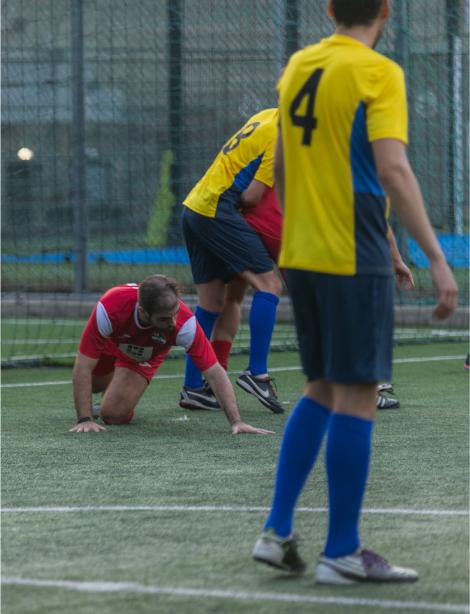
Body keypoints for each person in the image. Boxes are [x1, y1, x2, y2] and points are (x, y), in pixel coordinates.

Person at [252, 0, 458, 584]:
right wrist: (436, 258)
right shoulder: (376, 71)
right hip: (352, 249)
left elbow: (282, 166)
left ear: (329, 9)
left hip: (303, 250)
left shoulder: (298, 66)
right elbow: (392, 169)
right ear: (385, 12)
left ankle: (277, 531)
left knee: (321, 386)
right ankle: (342, 550)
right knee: (360, 392)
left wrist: (300, 234)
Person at [69, 274, 274, 435]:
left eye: (175, 313)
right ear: (143, 312)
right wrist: (85, 419)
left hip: (143, 356)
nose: (173, 322)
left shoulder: (185, 324)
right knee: (93, 384)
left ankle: (118, 390)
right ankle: (113, 384)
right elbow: (82, 365)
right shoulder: (110, 307)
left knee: (113, 415)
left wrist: (237, 421)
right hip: (111, 343)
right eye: (164, 319)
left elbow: (214, 372)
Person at [180, 108, 285, 414]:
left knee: (214, 303)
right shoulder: (284, 135)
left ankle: (195, 388)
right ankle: (257, 372)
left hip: (195, 207)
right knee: (270, 285)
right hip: (219, 210)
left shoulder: (266, 116)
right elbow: (251, 197)